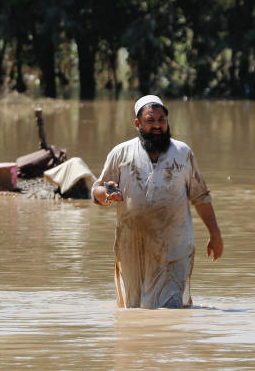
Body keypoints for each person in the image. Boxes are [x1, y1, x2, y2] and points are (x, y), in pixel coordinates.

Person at [92, 95, 223, 309]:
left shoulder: (182, 153)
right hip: (132, 247)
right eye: (150, 121)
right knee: (133, 311)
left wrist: (215, 233)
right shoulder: (121, 153)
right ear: (138, 124)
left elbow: (200, 196)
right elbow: (97, 189)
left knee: (170, 309)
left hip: (175, 247)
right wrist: (107, 194)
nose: (157, 126)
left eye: (162, 120)